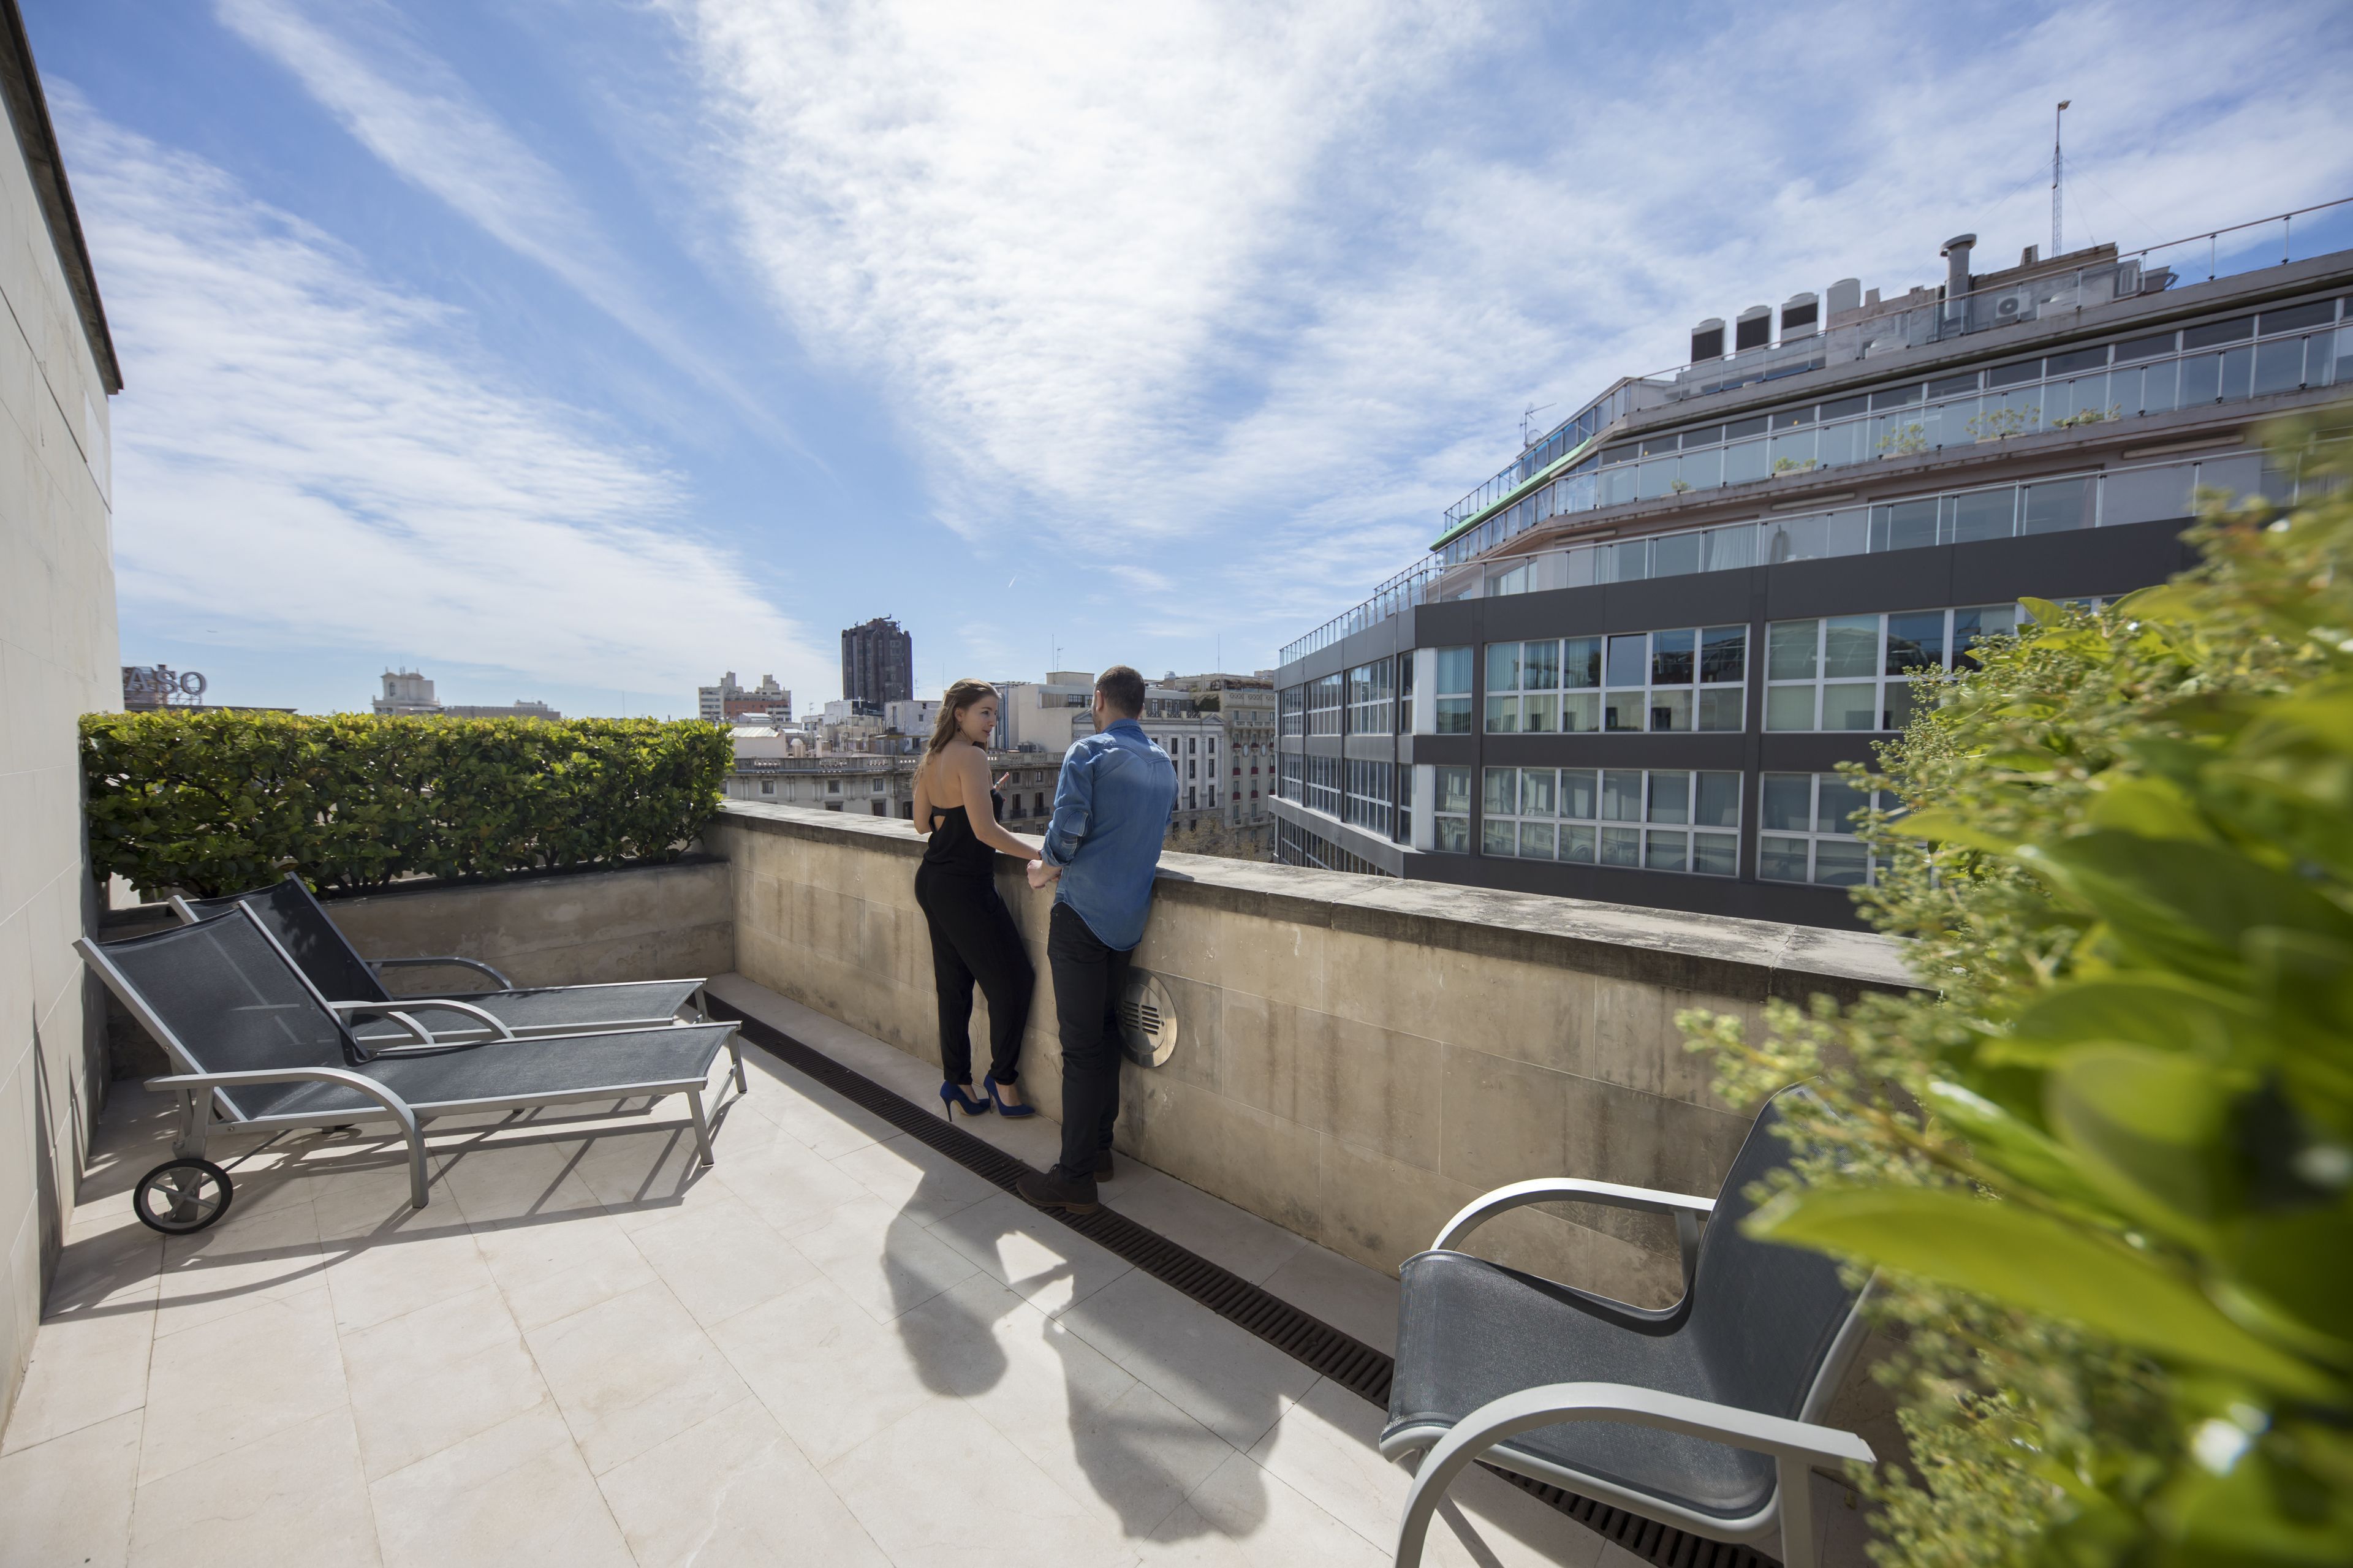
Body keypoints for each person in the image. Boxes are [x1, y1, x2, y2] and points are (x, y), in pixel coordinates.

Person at [1015, 665, 1177, 1212]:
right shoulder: (1163, 764)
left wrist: (1044, 868)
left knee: (1081, 1047)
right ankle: (1101, 1151)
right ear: (1143, 707)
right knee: (1106, 1037)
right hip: (1129, 919)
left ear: (1099, 699)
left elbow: (1068, 828)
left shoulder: (1087, 753)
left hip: (1082, 916)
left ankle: (1075, 1175)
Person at [909, 680, 1040, 1119]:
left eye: (996, 714)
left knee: (954, 987)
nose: (992, 722)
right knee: (1015, 981)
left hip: (933, 882)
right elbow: (987, 833)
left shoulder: (931, 758)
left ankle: (958, 1082)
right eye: (985, 712)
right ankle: (1002, 1080)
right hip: (966, 887)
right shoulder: (973, 757)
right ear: (959, 713)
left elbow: (922, 824)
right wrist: (1043, 854)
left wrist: (977, 799)